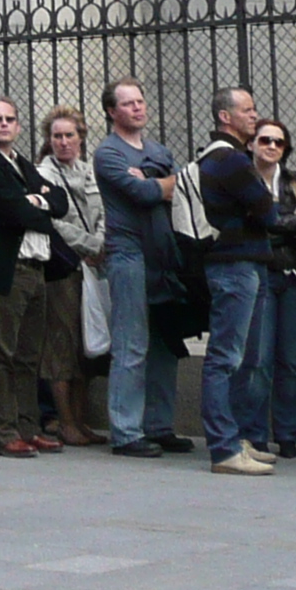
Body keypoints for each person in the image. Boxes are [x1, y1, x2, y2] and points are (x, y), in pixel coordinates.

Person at [0, 97, 61, 456]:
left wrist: (35, 200)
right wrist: (34, 201)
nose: (4, 124)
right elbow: (16, 212)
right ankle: (2, 430)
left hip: (36, 266)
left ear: (18, 126)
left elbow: (60, 201)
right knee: (0, 352)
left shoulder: (20, 163)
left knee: (29, 354)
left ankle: (27, 425)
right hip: (7, 268)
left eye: (10, 119)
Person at [93, 80, 185, 456]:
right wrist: (156, 184)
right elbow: (144, 194)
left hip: (162, 255)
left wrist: (154, 182)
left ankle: (159, 425)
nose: (137, 108)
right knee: (132, 342)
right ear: (112, 112)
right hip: (127, 254)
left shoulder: (158, 150)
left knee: (165, 343)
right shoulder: (107, 153)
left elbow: (181, 188)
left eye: (140, 101)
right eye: (127, 104)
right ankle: (126, 431)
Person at [193, 90, 276, 476]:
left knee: (246, 358)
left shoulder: (225, 158)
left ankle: (237, 438)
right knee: (226, 357)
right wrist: (263, 201)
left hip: (244, 262)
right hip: (234, 264)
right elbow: (266, 210)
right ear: (225, 116)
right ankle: (224, 447)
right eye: (247, 110)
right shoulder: (228, 160)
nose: (254, 116)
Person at [253, 117, 296, 459]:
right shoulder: (245, 180)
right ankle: (256, 434)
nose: (272, 147)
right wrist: (289, 220)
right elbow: (252, 224)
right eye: (265, 140)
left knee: (291, 360)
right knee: (260, 359)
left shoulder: (294, 181)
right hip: (261, 273)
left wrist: (275, 221)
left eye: (279, 142)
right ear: (252, 144)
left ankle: (288, 434)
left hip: (295, 275)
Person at [40, 109, 104, 448]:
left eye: (69, 135)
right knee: (62, 344)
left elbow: (103, 210)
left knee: (86, 345)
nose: (63, 142)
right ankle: (64, 421)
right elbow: (52, 220)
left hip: (93, 266)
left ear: (80, 138)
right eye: (57, 136)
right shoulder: (43, 173)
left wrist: (101, 243)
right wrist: (89, 244)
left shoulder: (91, 171)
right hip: (63, 265)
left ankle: (80, 419)